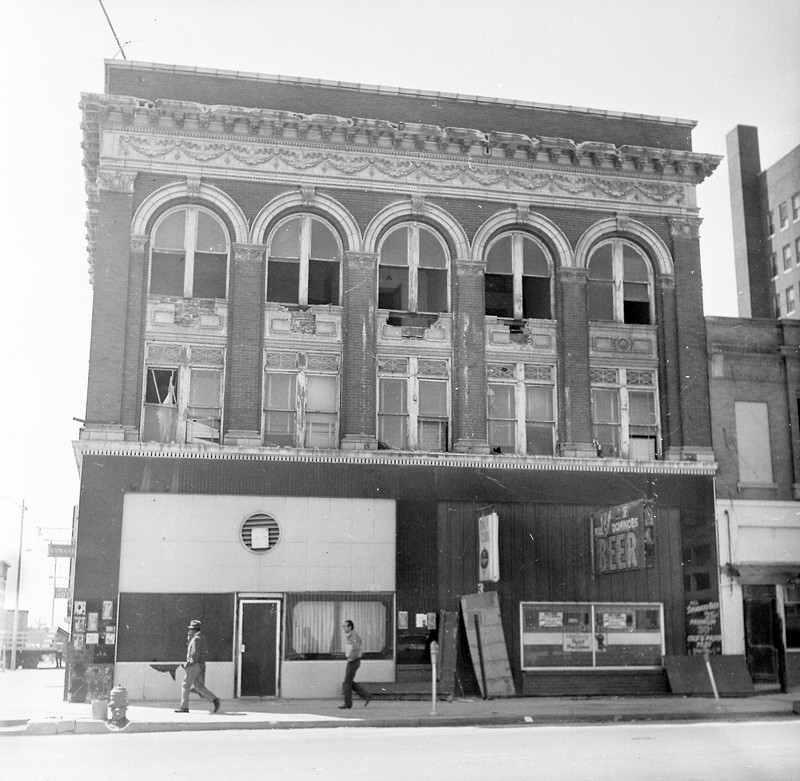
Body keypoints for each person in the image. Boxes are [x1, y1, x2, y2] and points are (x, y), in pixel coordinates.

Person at [174, 619, 221, 713]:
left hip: (194, 665)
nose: (190, 631)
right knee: (199, 687)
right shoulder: (201, 637)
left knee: (185, 685)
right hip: (201, 664)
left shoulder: (196, 639)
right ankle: (214, 700)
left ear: (194, 629)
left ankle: (184, 707)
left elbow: (194, 654)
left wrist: (188, 663)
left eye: (191, 629)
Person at [339, 619, 371, 709]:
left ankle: (348, 703)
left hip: (354, 661)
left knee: (347, 682)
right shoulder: (350, 636)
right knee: (348, 681)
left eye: (345, 626)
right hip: (352, 660)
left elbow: (357, 648)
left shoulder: (353, 636)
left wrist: (351, 657)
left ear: (350, 627)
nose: (343, 628)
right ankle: (366, 695)